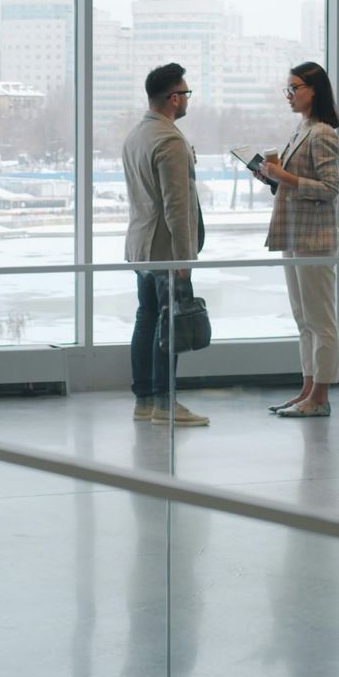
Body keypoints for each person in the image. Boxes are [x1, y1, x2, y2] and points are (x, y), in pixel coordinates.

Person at [122, 62, 209, 427]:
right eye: (186, 93)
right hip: (165, 248)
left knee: (146, 318)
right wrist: (185, 258)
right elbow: (177, 205)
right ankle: (165, 403)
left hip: (141, 245)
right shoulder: (169, 140)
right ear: (174, 98)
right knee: (168, 323)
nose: (188, 99)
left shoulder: (136, 135)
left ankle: (144, 401)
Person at [255, 61, 339, 418]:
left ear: (314, 90)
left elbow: (330, 188)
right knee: (303, 318)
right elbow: (294, 181)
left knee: (320, 320)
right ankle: (308, 390)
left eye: (294, 88)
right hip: (295, 233)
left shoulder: (322, 133)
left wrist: (284, 177)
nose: (288, 95)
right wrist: (272, 177)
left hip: (315, 237)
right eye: (287, 89)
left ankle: (320, 396)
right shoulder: (302, 128)